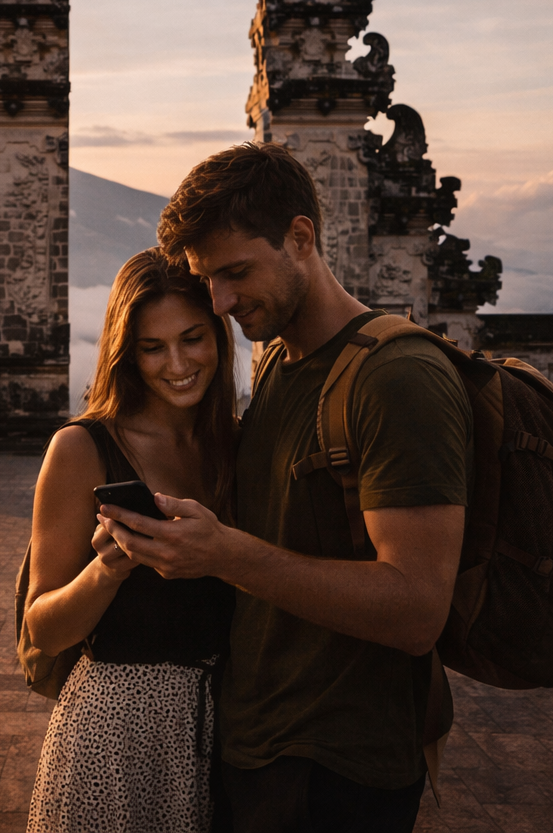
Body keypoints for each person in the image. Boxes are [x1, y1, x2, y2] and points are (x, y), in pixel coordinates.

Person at [101, 143, 469, 833]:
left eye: (236, 273)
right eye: (207, 279)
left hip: (337, 767)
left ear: (301, 237)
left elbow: (418, 609)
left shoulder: (397, 378)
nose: (220, 302)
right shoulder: (277, 364)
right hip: (256, 747)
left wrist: (224, 554)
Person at [25, 249, 238, 833]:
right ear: (126, 352)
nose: (178, 363)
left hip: (230, 731)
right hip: (115, 733)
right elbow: (42, 628)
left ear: (219, 334)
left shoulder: (236, 444)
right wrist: (109, 568)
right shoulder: (81, 449)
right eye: (152, 347)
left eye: (193, 338)